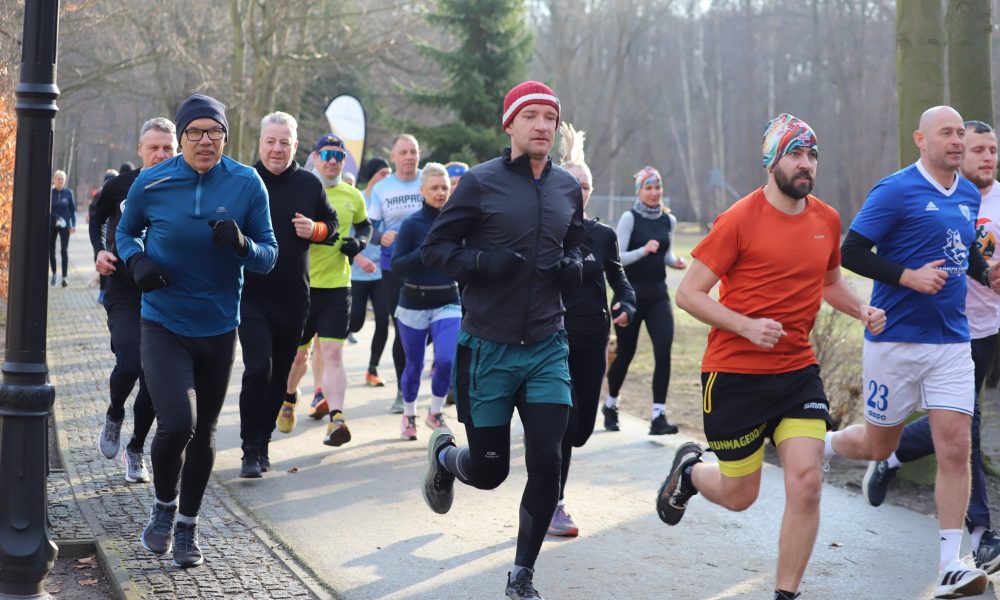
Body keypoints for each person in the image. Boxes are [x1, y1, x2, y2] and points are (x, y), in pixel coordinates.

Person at [656, 114, 886, 600]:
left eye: (812, 156)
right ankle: (692, 473)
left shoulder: (826, 218)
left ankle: (786, 594)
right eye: (795, 155)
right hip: (735, 373)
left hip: (797, 372)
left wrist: (860, 309)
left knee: (806, 482)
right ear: (771, 161)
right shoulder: (740, 218)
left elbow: (828, 284)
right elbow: (690, 294)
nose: (806, 165)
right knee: (742, 495)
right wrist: (745, 325)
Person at [826, 106, 1000, 599]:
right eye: (947, 133)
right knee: (879, 446)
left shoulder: (968, 194)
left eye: (961, 133)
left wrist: (985, 273)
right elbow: (851, 252)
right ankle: (818, 447)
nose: (957, 141)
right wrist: (908, 277)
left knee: (955, 445)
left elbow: (962, 250)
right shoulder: (895, 189)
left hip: (951, 340)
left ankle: (952, 562)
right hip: (896, 340)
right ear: (920, 140)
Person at [420, 80, 584, 600]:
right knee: (489, 472)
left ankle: (521, 575)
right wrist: (481, 264)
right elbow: (436, 249)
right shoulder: (481, 184)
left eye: (550, 118)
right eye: (531, 116)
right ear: (509, 124)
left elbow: (576, 241)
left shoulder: (564, 188)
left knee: (549, 463)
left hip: (546, 345)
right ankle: (446, 458)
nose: (542, 126)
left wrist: (576, 266)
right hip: (488, 347)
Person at [116, 93, 277, 568]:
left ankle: (187, 525)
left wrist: (244, 244)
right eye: (195, 132)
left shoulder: (248, 184)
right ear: (181, 136)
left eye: (215, 132)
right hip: (163, 321)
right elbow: (125, 232)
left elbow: (269, 256)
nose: (205, 140)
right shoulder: (153, 181)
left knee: (204, 430)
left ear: (226, 136)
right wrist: (137, 260)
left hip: (219, 326)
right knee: (176, 424)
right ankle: (164, 507)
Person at [237, 112, 339, 478]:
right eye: (271, 141)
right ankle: (249, 449)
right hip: (250, 295)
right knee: (257, 368)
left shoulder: (310, 185)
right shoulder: (243, 180)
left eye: (285, 142)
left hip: (293, 297)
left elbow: (333, 229)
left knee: (280, 375)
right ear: (260, 142)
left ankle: (263, 442)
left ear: (295, 146)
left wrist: (315, 229)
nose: (277, 149)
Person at [548, 122, 635, 537]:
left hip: (593, 337)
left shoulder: (603, 235)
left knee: (581, 430)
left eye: (586, 185)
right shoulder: (551, 231)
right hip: (554, 336)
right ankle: (554, 502)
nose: (580, 190)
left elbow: (618, 276)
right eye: (573, 183)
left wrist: (627, 300)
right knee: (565, 423)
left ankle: (551, 488)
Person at [90, 118, 176, 483]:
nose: (160, 154)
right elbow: (96, 219)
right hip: (124, 289)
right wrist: (98, 252)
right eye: (153, 148)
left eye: (167, 148)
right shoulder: (120, 186)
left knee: (154, 379)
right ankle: (114, 415)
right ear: (140, 150)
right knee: (128, 363)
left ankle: (136, 448)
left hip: (167, 292)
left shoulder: (189, 189)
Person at [284, 133, 371, 446]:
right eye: (327, 154)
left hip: (337, 287)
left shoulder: (353, 195)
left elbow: (365, 224)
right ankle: (290, 398)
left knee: (333, 353)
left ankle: (336, 419)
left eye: (339, 155)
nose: (333, 160)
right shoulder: (302, 189)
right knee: (298, 357)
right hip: (302, 287)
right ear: (316, 158)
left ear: (344, 161)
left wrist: (359, 243)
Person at [603, 166, 686, 435]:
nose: (654, 193)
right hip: (630, 295)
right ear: (639, 191)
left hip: (658, 295)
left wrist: (675, 262)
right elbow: (618, 258)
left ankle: (658, 416)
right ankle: (611, 404)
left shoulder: (667, 220)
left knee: (663, 352)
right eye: (648, 188)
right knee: (625, 354)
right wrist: (643, 250)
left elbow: (665, 254)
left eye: (657, 187)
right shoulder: (629, 218)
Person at [389, 162, 460, 440]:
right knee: (414, 366)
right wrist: (425, 250)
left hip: (448, 301)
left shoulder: (456, 224)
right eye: (434, 188)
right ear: (422, 190)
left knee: (445, 360)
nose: (441, 192)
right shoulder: (412, 224)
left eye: (444, 187)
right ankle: (409, 414)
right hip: (413, 304)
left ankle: (435, 411)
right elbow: (397, 265)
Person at [368, 134, 424, 414]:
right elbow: (367, 229)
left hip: (429, 266)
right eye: (403, 152)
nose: (409, 157)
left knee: (432, 328)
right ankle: (404, 391)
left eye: (413, 151)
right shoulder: (383, 189)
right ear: (393, 157)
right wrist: (382, 237)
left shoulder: (428, 179)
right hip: (394, 267)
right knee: (402, 329)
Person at [349, 157, 393, 387]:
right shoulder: (358, 198)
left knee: (382, 321)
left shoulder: (390, 200)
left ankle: (372, 369)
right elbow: (345, 237)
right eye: (382, 174)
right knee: (355, 322)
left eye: (389, 174)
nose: (387, 178)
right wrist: (359, 257)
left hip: (381, 272)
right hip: (357, 271)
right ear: (371, 176)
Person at [50, 169, 76, 288]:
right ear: (54, 180)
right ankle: (54, 274)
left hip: (65, 226)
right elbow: (47, 210)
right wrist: (56, 217)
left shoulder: (68, 193)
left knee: (64, 250)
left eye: (62, 179)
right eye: (58, 179)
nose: (60, 181)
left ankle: (64, 277)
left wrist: (73, 225)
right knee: (51, 250)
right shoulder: (50, 193)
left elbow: (72, 210)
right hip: (52, 225)